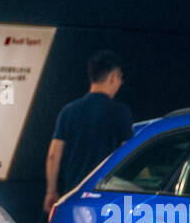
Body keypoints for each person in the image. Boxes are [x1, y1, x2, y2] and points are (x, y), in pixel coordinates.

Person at [44, 51, 133, 214]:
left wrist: (51, 191)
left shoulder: (69, 111)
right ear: (113, 76)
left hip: (72, 194)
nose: (120, 83)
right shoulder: (120, 112)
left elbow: (53, 155)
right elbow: (128, 153)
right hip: (106, 198)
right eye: (120, 78)